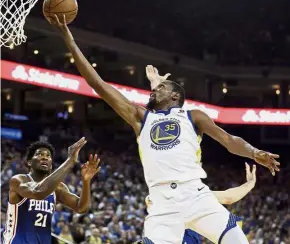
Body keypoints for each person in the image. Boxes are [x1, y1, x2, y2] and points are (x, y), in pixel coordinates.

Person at [51, 15, 280, 244]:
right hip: (161, 203)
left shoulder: (194, 116)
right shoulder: (140, 117)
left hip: (196, 195)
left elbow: (229, 140)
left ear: (175, 96)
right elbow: (98, 84)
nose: (153, 90)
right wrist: (68, 38)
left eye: (160, 88)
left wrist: (253, 152)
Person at [3, 138, 101, 244]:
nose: (45, 157)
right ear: (30, 162)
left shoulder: (58, 188)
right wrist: (70, 161)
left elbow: (81, 208)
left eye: (48, 156)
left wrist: (86, 181)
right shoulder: (18, 180)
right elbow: (38, 192)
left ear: (51, 164)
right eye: (40, 154)